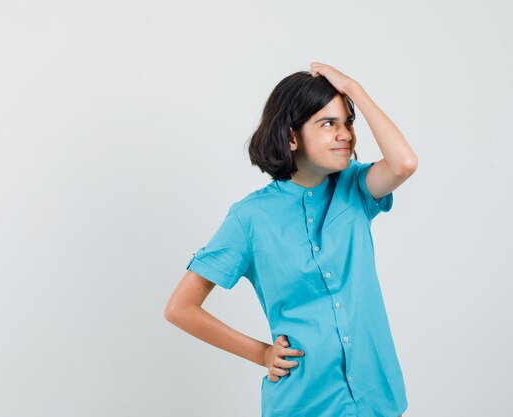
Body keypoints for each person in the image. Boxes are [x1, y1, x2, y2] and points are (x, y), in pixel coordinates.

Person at [164, 62, 417, 417]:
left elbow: (404, 163)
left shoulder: (357, 190)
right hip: (304, 403)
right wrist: (262, 353)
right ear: (292, 136)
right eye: (328, 123)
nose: (345, 134)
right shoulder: (250, 218)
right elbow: (180, 308)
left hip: (376, 399)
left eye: (347, 122)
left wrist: (354, 88)